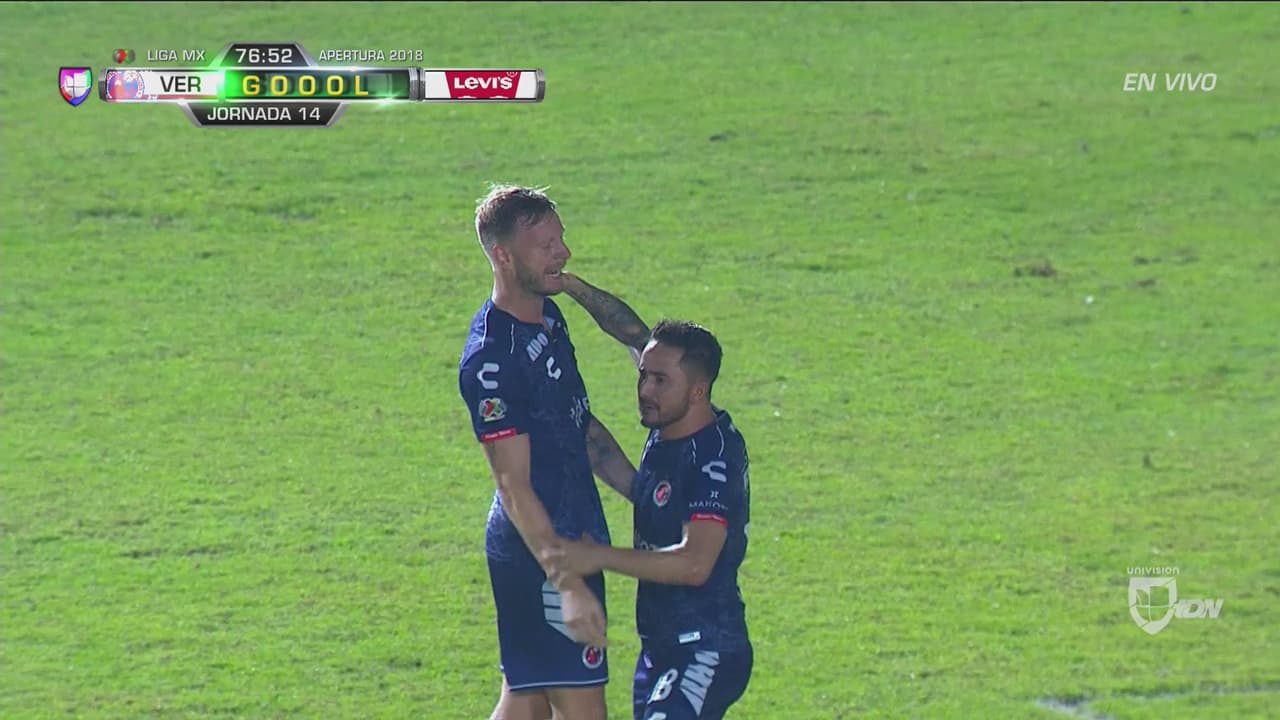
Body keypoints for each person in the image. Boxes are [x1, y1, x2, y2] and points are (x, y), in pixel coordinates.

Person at [458, 187, 637, 720]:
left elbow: (581, 429)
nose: (564, 252)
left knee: (527, 702)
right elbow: (513, 485)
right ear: (503, 256)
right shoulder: (492, 362)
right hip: (541, 554)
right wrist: (566, 582)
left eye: (561, 239)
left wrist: (645, 495)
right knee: (577, 708)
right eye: (546, 246)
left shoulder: (550, 319)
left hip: (573, 538)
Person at [545, 274, 754, 720]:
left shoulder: (713, 459)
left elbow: (694, 564)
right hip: (659, 650)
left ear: (698, 390)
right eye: (643, 376)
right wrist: (568, 286)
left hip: (705, 646)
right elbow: (629, 330)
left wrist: (598, 556)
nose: (644, 390)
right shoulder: (671, 417)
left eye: (659, 380)